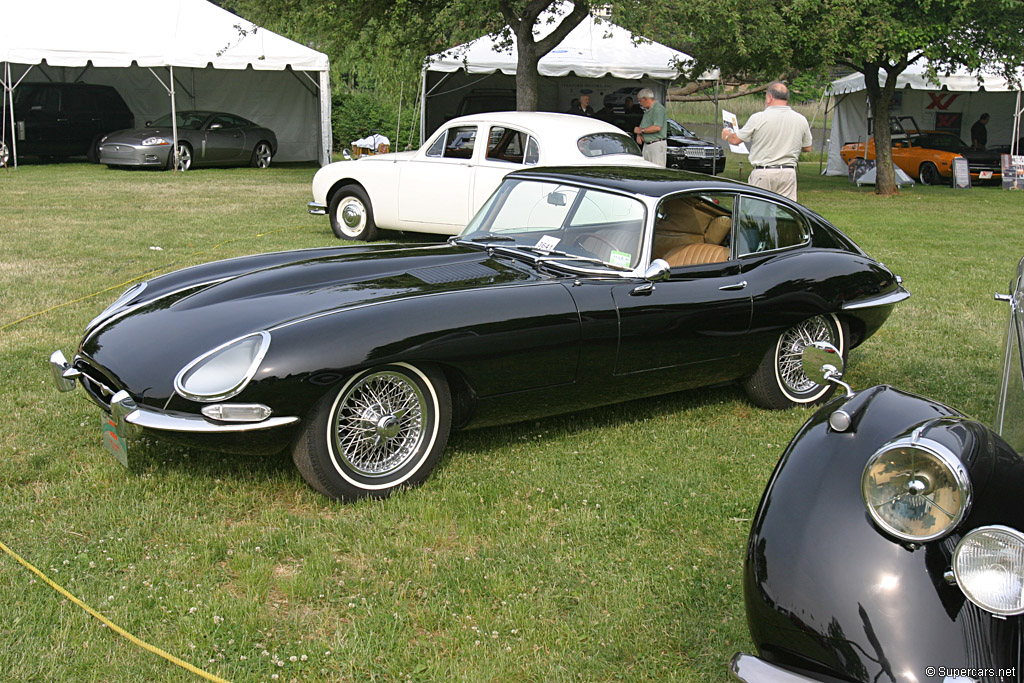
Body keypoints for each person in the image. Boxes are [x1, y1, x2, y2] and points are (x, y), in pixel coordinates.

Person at [721, 81, 812, 201]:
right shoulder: (801, 119)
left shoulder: (758, 118)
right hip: (788, 173)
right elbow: (807, 147)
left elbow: (735, 140)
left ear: (770, 97)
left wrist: (727, 135)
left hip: (764, 172)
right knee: (785, 213)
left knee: (757, 212)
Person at [634, 88, 667, 167]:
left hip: (656, 144)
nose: (640, 104)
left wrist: (641, 130)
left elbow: (657, 127)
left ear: (645, 99)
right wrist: (639, 134)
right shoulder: (647, 110)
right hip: (647, 145)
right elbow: (643, 126)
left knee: (657, 169)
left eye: (640, 101)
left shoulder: (658, 109)